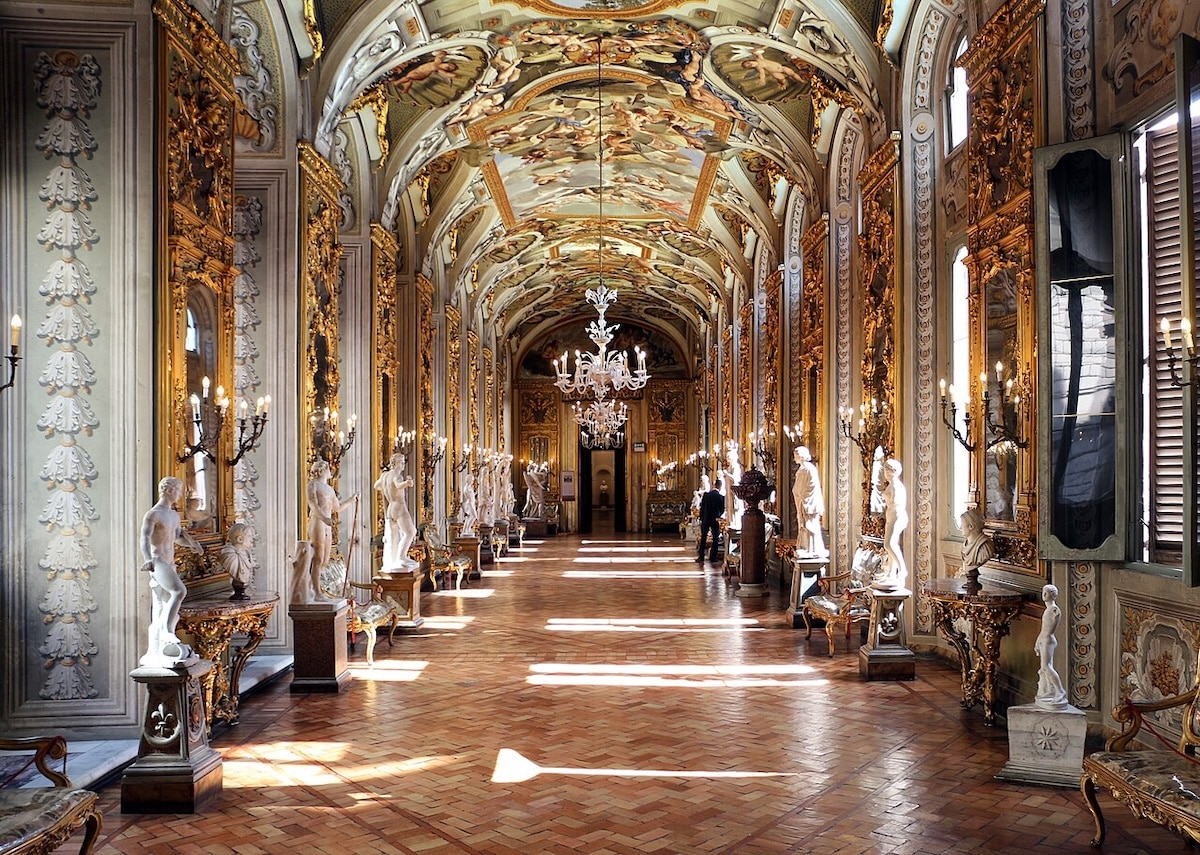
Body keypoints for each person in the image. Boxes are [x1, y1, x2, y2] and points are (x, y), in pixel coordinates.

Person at [139, 476, 203, 664]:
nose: (180, 494)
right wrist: (147, 559)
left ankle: (164, 639)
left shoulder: (174, 515)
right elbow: (144, 538)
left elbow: (177, 537)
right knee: (179, 591)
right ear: (168, 490)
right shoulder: (154, 514)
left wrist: (192, 545)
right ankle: (167, 633)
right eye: (178, 490)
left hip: (170, 562)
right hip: (157, 561)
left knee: (166, 602)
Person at [306, 459, 357, 581]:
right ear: (322, 470)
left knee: (325, 558)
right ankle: (315, 590)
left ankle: (318, 588)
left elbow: (337, 508)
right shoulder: (312, 485)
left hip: (327, 524)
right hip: (318, 521)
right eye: (328, 469)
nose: (330, 471)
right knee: (317, 557)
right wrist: (324, 518)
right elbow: (313, 505)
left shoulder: (330, 489)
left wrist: (351, 500)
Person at [374, 452, 418, 570]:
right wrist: (407, 483)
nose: (403, 465)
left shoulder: (384, 476)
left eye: (404, 462)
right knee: (411, 532)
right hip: (399, 508)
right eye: (401, 462)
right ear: (395, 463)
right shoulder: (397, 476)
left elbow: (376, 486)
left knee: (394, 537)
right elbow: (398, 485)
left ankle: (395, 559)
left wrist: (386, 489)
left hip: (390, 509)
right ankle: (401, 556)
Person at [1036, 584, 1069, 709]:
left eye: (1047, 592)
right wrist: (1037, 641)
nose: (1044, 594)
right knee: (1044, 668)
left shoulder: (1054, 610)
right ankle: (1049, 690)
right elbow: (1043, 629)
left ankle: (1060, 690)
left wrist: (1042, 640)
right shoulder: (1048, 610)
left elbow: (1049, 630)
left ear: (1053, 595)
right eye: (1043, 592)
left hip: (1048, 640)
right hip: (1044, 640)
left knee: (1046, 666)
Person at [791, 446, 827, 557]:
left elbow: (801, 489)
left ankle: (810, 549)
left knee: (808, 526)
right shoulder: (808, 468)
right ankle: (809, 548)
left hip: (808, 504)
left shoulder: (805, 470)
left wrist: (798, 496)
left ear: (801, 456)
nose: (794, 458)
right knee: (808, 526)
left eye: (796, 455)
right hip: (809, 503)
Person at [878, 458, 908, 588]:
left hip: (897, 516)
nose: (884, 472)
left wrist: (884, 497)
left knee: (889, 544)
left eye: (885, 469)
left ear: (890, 471)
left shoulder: (896, 485)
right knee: (891, 545)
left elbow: (895, 503)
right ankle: (891, 573)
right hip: (892, 516)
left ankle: (903, 570)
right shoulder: (892, 484)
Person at [220, 522, 257, 599]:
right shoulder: (230, 556)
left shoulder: (247, 554)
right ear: (240, 539)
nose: (252, 540)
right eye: (249, 536)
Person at [959, 507, 993, 581]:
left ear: (971, 526)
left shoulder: (984, 547)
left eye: (962, 524)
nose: (960, 527)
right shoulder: (965, 544)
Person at [697, 478, 725, 562]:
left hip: (706, 519)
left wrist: (701, 517)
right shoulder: (721, 497)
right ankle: (713, 558)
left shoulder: (706, 495)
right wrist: (718, 515)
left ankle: (701, 557)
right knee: (715, 538)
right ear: (720, 486)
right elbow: (722, 509)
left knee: (703, 538)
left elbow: (702, 507)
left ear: (714, 485)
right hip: (715, 519)